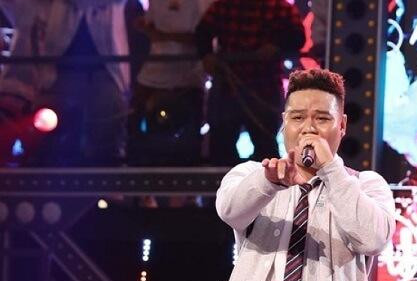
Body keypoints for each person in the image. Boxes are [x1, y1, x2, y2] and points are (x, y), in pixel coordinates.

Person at [214, 68, 395, 281]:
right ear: (284, 123)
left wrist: (331, 172)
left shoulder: (366, 185)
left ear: (342, 125)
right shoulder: (254, 176)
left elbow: (373, 238)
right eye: (297, 117)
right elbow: (229, 210)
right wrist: (269, 183)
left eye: (322, 118)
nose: (308, 128)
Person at [0, 0, 130, 166]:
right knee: (50, 139)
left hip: (105, 71)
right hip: (60, 70)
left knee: (107, 138)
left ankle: (106, 179)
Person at [196, 0, 306, 165]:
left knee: (264, 145)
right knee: (224, 146)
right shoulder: (226, 5)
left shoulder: (276, 6)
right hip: (232, 85)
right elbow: (202, 32)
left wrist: (276, 46)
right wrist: (207, 55)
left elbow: (297, 36)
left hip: (261, 86)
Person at [129, 0, 215, 165]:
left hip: (189, 77)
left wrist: (164, 36)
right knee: (139, 132)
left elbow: (203, 37)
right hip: (153, 74)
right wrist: (145, 29)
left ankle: (186, 177)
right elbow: (150, 27)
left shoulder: (202, 3)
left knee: (187, 142)